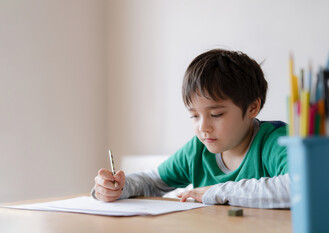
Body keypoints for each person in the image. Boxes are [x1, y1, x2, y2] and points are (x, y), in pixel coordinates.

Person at [91, 49, 290, 208]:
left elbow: (299, 186)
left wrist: (216, 192)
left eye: (216, 115)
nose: (203, 127)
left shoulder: (276, 141)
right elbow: (152, 181)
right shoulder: (198, 149)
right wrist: (119, 188)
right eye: (194, 116)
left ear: (252, 107)